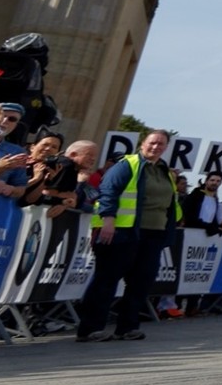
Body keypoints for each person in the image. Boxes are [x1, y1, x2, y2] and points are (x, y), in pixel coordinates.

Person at [76, 129, 180, 343]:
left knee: (141, 282)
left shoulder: (165, 172)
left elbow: (171, 203)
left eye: (161, 144)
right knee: (107, 280)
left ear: (166, 148)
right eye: (152, 142)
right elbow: (108, 191)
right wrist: (108, 220)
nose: (155, 147)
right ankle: (91, 329)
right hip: (123, 232)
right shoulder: (127, 164)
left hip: (153, 235)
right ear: (143, 144)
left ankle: (128, 327)